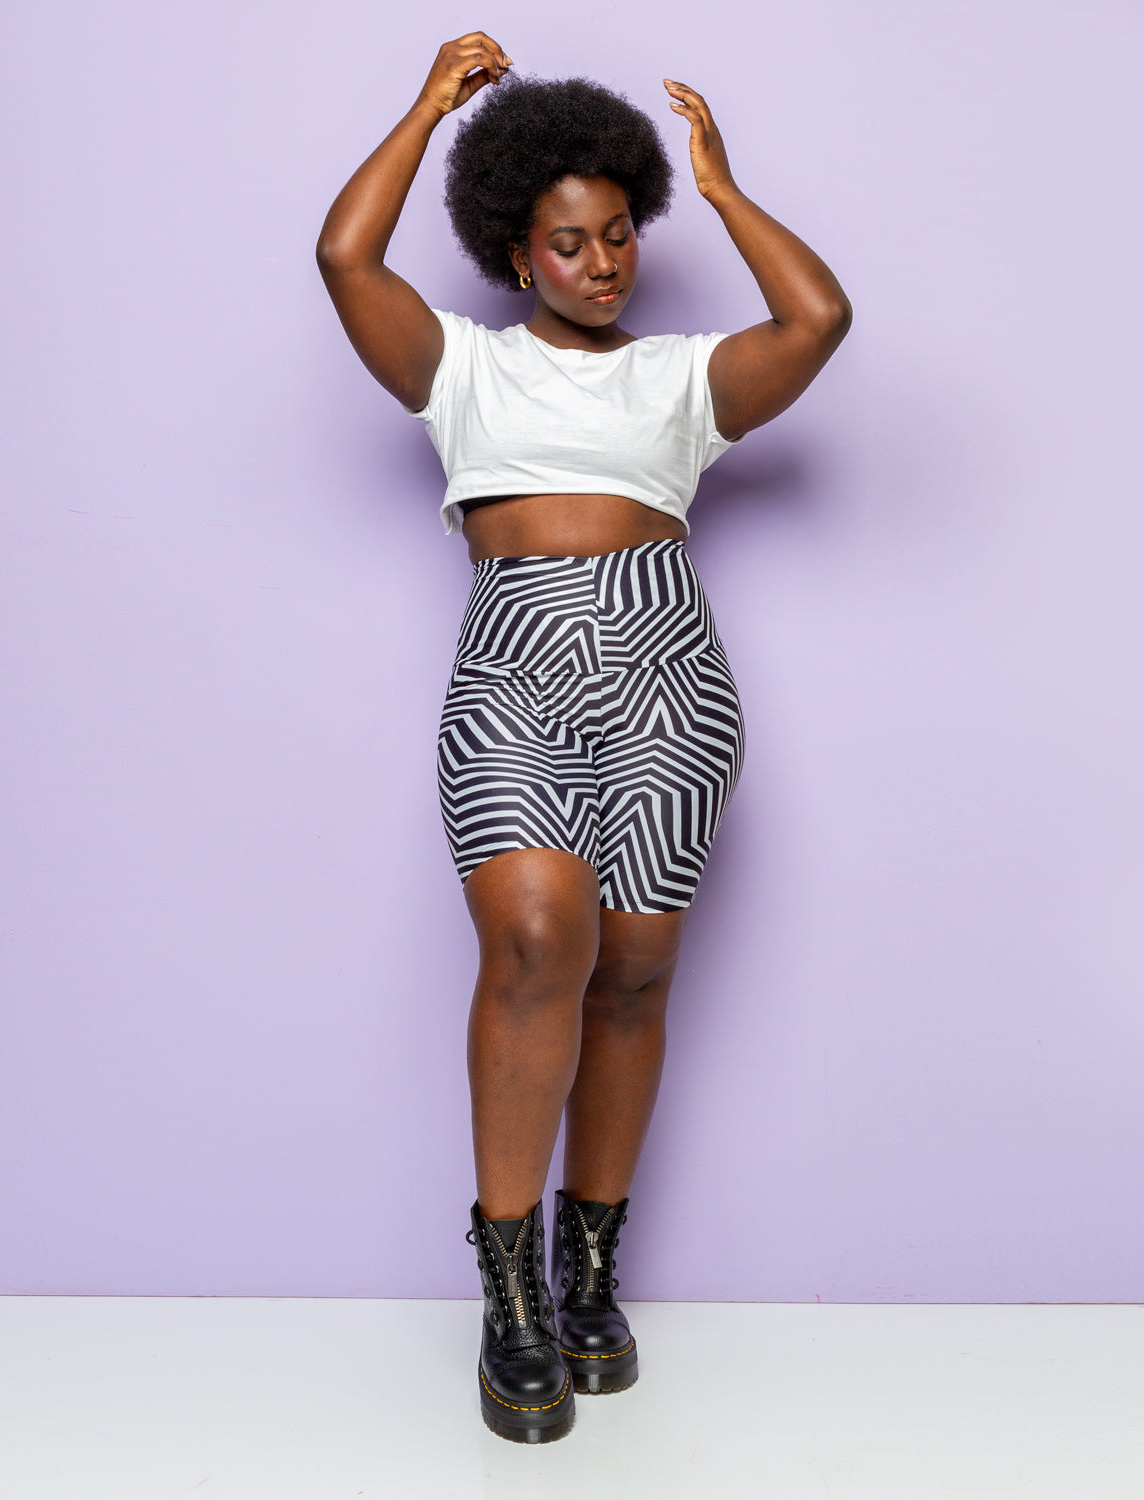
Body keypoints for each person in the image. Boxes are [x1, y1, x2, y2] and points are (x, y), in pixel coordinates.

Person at [316, 32, 850, 1444]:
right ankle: (507, 1293)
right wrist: (429, 110)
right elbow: (344, 263)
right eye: (567, 243)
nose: (601, 263)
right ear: (515, 255)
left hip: (668, 667)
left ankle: (589, 1269)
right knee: (537, 940)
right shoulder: (462, 375)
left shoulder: (679, 377)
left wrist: (725, 192)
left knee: (632, 973)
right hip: (516, 664)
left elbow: (815, 322)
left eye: (617, 233)